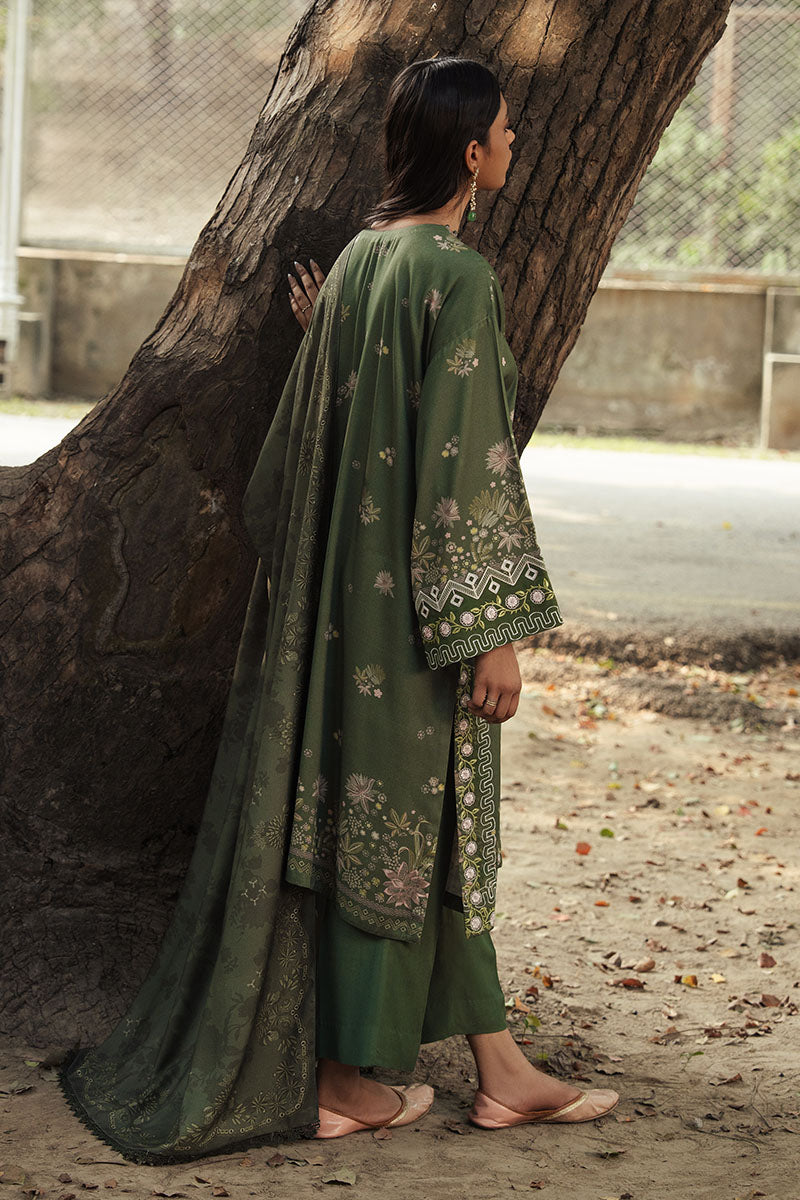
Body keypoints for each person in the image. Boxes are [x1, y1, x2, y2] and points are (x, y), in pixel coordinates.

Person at [56, 57, 618, 1165]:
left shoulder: (363, 261)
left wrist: (326, 334)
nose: (515, 145)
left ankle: (497, 1072)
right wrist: (495, 634)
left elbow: (301, 461)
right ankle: (342, 1087)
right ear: (471, 154)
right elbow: (463, 463)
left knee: (409, 824)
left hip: (339, 613)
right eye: (505, 132)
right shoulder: (455, 275)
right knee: (412, 826)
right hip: (417, 618)